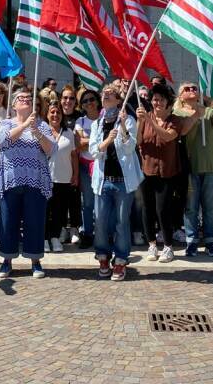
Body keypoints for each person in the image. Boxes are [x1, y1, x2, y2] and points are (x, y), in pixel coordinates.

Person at [0, 91, 56, 278]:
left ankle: (35, 260)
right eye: (22, 98)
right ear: (14, 105)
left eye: (29, 99)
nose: (26, 100)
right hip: (11, 179)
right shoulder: (6, 124)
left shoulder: (42, 125)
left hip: (35, 180)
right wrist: (23, 126)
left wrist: (36, 132)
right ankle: (7, 260)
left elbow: (51, 149)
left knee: (34, 221)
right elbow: (2, 141)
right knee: (7, 221)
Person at [90, 85, 141, 282]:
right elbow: (94, 151)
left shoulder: (128, 120)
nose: (105, 96)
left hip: (123, 182)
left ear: (119, 100)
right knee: (101, 221)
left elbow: (130, 149)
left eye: (109, 94)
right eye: (104, 94)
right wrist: (106, 142)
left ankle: (120, 260)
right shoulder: (98, 124)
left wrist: (122, 129)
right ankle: (103, 256)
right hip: (103, 181)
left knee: (122, 222)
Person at [178, 82, 213, 256]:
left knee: (210, 207)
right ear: (181, 95)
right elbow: (182, 131)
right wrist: (195, 115)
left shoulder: (208, 111)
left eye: (195, 88)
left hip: (210, 165)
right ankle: (191, 241)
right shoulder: (177, 112)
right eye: (188, 89)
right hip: (190, 166)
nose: (192, 90)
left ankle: (210, 241)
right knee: (191, 207)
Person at [136, 84, 182, 263]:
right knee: (146, 208)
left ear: (168, 102)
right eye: (155, 99)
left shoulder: (174, 119)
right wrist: (141, 122)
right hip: (146, 170)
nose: (157, 102)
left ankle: (168, 246)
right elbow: (138, 140)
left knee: (162, 209)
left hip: (166, 171)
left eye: (161, 99)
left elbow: (168, 136)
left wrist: (150, 121)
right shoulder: (145, 118)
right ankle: (152, 244)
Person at [45, 100, 78, 253]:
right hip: (45, 178)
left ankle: (55, 237)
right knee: (45, 211)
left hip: (64, 178)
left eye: (58, 112)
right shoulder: (42, 131)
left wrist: (76, 175)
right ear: (47, 114)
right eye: (52, 112)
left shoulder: (69, 133)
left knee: (59, 210)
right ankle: (44, 238)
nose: (55, 115)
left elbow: (74, 156)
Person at [74, 88, 101, 249]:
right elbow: (79, 144)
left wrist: (88, 140)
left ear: (97, 101)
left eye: (91, 99)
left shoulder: (105, 118)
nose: (89, 103)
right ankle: (88, 233)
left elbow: (86, 142)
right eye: (85, 101)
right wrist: (98, 140)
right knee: (88, 202)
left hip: (102, 165)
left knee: (102, 202)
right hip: (85, 165)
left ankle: (103, 233)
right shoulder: (80, 122)